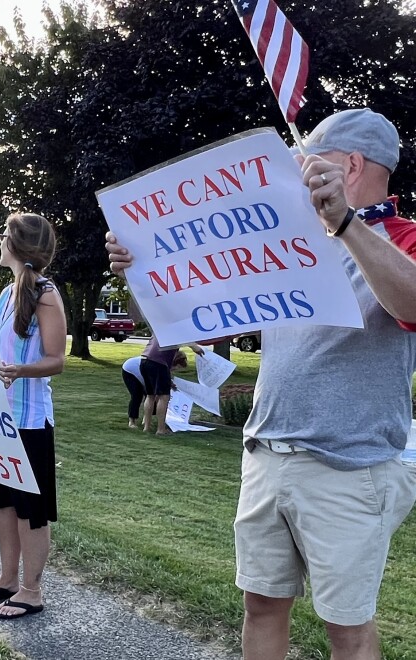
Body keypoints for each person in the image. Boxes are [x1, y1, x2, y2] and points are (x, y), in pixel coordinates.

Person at [106, 108, 416, 660]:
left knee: (347, 627)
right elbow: (195, 314)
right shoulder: (290, 240)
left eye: (307, 162)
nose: (295, 173)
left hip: (350, 466)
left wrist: (346, 226)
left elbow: (412, 303)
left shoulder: (402, 238)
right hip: (267, 453)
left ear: (350, 165)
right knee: (261, 605)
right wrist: (141, 273)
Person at [0, 212, 66, 620]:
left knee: (31, 509)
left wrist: (20, 371)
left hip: (29, 421)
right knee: (4, 504)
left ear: (17, 244)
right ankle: (8, 578)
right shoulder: (8, 294)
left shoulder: (46, 293)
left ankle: (32, 590)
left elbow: (56, 360)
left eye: (4, 233)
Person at [139, 337, 204, 435]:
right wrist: (197, 348)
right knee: (164, 397)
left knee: (150, 395)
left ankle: (146, 427)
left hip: (144, 360)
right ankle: (161, 430)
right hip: (159, 362)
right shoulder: (176, 329)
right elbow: (187, 340)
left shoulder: (161, 327)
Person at [121, 349, 187, 429]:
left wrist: (170, 383)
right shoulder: (162, 364)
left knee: (150, 394)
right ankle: (132, 421)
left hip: (144, 370)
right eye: (175, 368)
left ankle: (146, 421)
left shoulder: (164, 363)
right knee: (137, 395)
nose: (174, 370)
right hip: (130, 370)